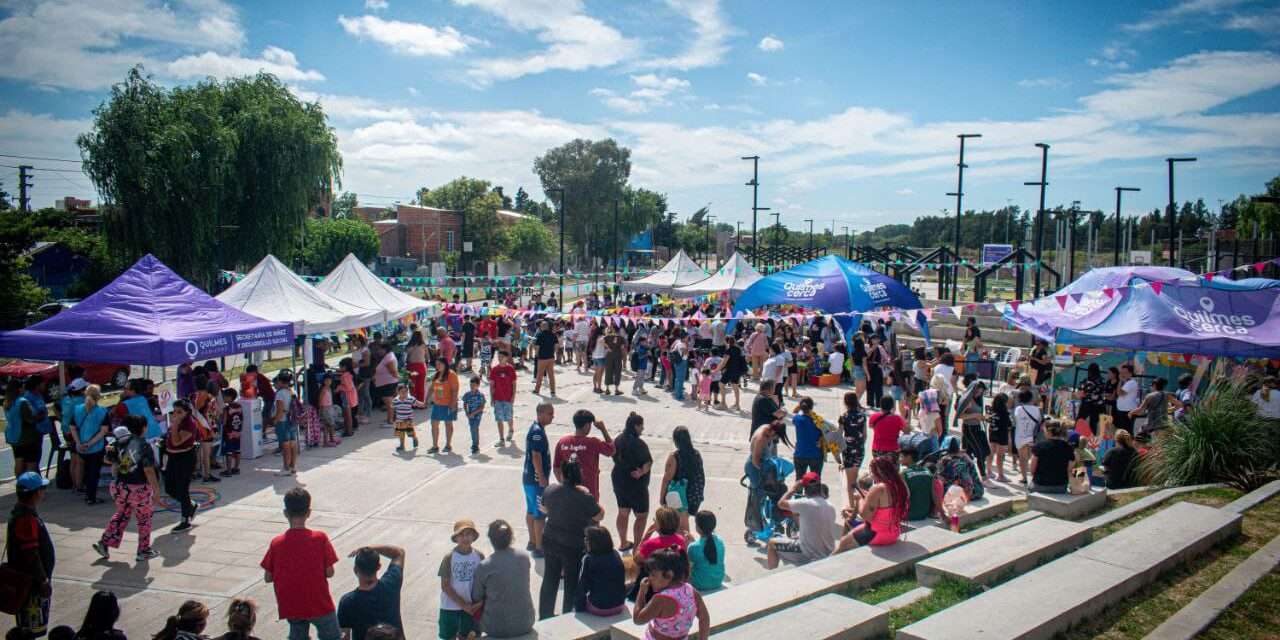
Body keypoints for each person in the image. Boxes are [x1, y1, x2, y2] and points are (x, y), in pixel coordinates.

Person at [260, 488, 341, 640]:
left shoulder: (277, 543)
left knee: (297, 633)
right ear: (309, 513)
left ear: (285, 513)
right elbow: (330, 572)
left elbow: (268, 577)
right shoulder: (320, 538)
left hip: (292, 606)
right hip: (319, 603)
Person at [539, 460, 605, 620]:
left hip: (550, 539)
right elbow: (599, 515)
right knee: (571, 581)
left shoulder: (550, 490)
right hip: (573, 544)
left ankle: (545, 615)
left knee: (550, 578)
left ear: (562, 474)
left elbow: (544, 508)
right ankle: (567, 615)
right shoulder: (584, 496)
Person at [94, 416, 163, 562]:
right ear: (143, 428)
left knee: (121, 515)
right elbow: (149, 470)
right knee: (144, 519)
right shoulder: (143, 445)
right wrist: (156, 491)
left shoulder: (118, 442)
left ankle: (104, 543)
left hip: (120, 486)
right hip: (138, 489)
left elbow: (107, 459)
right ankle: (143, 550)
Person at [8, 472, 54, 637]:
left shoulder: (22, 513)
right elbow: (31, 553)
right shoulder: (26, 519)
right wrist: (43, 580)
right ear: (36, 493)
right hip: (32, 585)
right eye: (42, 488)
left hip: (30, 581)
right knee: (31, 628)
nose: (43, 492)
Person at [471, 520, 535, 637]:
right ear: (511, 537)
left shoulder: (485, 566)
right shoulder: (524, 557)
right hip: (526, 623)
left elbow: (476, 596)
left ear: (491, 539)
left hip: (496, 628)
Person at [632, 548, 710, 640]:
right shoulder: (691, 590)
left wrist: (641, 592)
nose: (650, 578)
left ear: (669, 575)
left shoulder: (660, 599)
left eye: (653, 575)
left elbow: (638, 619)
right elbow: (704, 618)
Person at [834, 456, 908, 552]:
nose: (871, 475)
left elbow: (866, 516)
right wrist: (869, 497)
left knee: (842, 545)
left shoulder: (878, 488)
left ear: (878, 472)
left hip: (877, 534)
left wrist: (860, 499)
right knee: (847, 538)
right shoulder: (899, 485)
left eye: (871, 472)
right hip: (894, 532)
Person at [765, 475, 836, 569]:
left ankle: (772, 577)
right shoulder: (831, 507)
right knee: (795, 537)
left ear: (805, 491)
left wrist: (793, 489)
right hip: (827, 552)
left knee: (772, 543)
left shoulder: (805, 503)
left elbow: (781, 504)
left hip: (809, 553)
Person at [337, 544, 405, 640]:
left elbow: (344, 636)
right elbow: (399, 553)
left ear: (355, 570)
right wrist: (370, 548)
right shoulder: (392, 583)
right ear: (379, 566)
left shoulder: (347, 602)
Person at [611, 412, 652, 552]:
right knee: (641, 515)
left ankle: (622, 542)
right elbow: (647, 462)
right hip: (636, 484)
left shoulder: (618, 439)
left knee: (623, 512)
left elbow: (613, 455)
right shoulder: (639, 444)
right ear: (635, 426)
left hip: (619, 481)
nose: (643, 429)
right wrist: (642, 472)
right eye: (641, 426)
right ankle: (636, 546)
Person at [553, 410, 615, 500]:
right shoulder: (592, 442)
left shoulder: (563, 442)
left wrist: (564, 485)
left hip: (569, 492)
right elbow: (611, 450)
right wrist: (603, 429)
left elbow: (556, 468)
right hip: (589, 492)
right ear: (587, 425)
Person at [438, 520, 484, 640]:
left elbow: (484, 582)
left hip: (471, 608)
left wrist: (479, 603)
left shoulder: (479, 556)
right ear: (456, 538)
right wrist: (463, 605)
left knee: (468, 636)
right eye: (461, 534)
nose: (465, 537)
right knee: (447, 636)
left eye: (469, 534)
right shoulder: (449, 557)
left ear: (474, 536)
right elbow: (445, 586)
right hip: (450, 607)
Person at [658, 426, 706, 533]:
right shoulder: (696, 454)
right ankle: (683, 545)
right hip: (694, 494)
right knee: (684, 522)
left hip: (679, 495)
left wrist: (662, 497)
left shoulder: (675, 457)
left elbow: (666, 479)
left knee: (680, 525)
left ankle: (683, 547)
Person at [575, 526, 627, 616]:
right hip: (619, 605)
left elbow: (582, 587)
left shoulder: (588, 559)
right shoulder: (615, 554)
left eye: (587, 539)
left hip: (599, 608)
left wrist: (578, 608)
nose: (584, 540)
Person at [524, 403, 554, 557]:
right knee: (539, 514)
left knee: (531, 511)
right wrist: (541, 476)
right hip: (535, 481)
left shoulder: (537, 429)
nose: (552, 416)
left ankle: (532, 540)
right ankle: (539, 547)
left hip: (529, 479)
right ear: (540, 413)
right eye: (550, 413)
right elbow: (536, 455)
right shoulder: (537, 432)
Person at [164, 399, 199, 530]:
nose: (176, 414)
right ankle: (190, 505)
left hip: (185, 457)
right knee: (169, 487)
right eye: (174, 411)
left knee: (182, 488)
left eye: (180, 412)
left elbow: (176, 441)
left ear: (187, 412)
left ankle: (186, 519)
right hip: (172, 457)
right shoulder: (176, 422)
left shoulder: (189, 424)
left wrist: (175, 424)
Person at [73, 385, 110, 505]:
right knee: (93, 473)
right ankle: (91, 497)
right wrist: (90, 444)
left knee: (83, 468)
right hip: (95, 447)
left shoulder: (77, 409)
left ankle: (79, 488)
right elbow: (103, 431)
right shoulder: (102, 411)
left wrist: (79, 443)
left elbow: (72, 428)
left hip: (80, 446)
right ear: (99, 396)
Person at [955, 375, 990, 481]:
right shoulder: (968, 399)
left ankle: (966, 474)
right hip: (969, 428)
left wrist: (982, 417)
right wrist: (975, 416)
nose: (978, 394)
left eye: (980, 392)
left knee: (968, 453)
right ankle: (984, 477)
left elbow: (977, 414)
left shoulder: (979, 399)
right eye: (977, 392)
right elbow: (959, 415)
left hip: (977, 427)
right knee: (980, 453)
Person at [837, 392, 868, 510]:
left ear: (846, 402)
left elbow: (839, 435)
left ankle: (852, 506)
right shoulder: (862, 415)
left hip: (848, 450)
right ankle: (859, 502)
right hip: (859, 449)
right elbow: (865, 435)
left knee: (850, 481)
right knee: (855, 478)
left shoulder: (843, 417)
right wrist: (859, 445)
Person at [4, 379, 41, 476]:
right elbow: (30, 418)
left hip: (13, 436)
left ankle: (20, 484)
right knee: (31, 462)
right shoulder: (22, 402)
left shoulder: (7, 402)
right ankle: (29, 485)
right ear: (19, 389)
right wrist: (39, 416)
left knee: (18, 461)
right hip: (26, 436)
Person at [1029, 421, 1075, 494]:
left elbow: (1032, 469)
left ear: (1048, 432)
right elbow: (1069, 469)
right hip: (1060, 486)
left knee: (1023, 498)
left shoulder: (1039, 446)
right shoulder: (1069, 447)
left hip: (1040, 485)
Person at [427, 358, 459, 454]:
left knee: (448, 425)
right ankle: (435, 446)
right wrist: (426, 400)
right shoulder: (437, 374)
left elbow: (455, 390)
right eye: (436, 364)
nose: (438, 366)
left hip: (448, 404)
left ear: (445, 364)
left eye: (439, 364)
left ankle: (448, 445)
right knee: (434, 424)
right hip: (437, 404)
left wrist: (453, 404)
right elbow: (431, 388)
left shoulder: (451, 374)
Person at [688, 511, 725, 593]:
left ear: (698, 528)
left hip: (699, 584)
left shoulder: (693, 547)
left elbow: (688, 569)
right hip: (718, 581)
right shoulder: (720, 542)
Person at [1012, 389, 1043, 485]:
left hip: (1020, 436)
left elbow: (1016, 420)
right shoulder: (1037, 409)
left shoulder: (1018, 409)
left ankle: (1024, 477)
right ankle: (1032, 476)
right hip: (1032, 436)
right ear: (1031, 398)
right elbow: (1039, 421)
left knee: (1022, 458)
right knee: (1030, 457)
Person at [790, 397, 825, 478]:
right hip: (815, 454)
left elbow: (794, 411)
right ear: (812, 407)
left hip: (800, 453)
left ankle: (797, 491)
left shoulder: (797, 419)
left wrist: (800, 406)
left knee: (799, 479)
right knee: (815, 480)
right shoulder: (818, 420)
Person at [899, 446, 936, 521]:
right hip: (924, 513)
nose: (899, 459)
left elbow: (902, 497)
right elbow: (934, 495)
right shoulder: (928, 471)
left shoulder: (903, 474)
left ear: (909, 457)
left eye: (901, 457)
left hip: (909, 515)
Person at [488, 351, 517, 445]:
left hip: (508, 398)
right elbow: (492, 385)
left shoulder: (510, 369)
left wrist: (513, 396)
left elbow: (514, 384)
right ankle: (501, 439)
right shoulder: (494, 369)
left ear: (506, 358)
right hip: (498, 398)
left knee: (509, 417)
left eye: (502, 356)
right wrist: (492, 398)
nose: (500, 358)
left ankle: (511, 429)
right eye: (498, 356)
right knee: (499, 418)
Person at [868, 397, 908, 461]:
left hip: (877, 448)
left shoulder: (873, 417)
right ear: (892, 406)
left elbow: (871, 426)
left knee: (878, 469)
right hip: (893, 449)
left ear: (880, 405)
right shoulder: (898, 418)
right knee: (892, 470)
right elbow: (906, 431)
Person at [987, 393, 1013, 483]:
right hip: (1002, 435)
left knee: (991, 453)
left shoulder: (991, 410)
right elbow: (1009, 425)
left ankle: (989, 471)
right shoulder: (1005, 413)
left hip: (992, 433)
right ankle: (1000, 475)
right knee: (1000, 456)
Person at [373, 342, 400, 427]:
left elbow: (393, 371)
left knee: (389, 403)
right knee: (390, 403)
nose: (378, 351)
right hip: (387, 383)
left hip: (388, 383)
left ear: (385, 349)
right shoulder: (387, 356)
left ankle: (390, 421)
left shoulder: (389, 358)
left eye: (380, 349)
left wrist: (398, 378)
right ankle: (392, 418)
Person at [220, 388, 243, 477]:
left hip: (228, 432)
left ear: (229, 397)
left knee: (228, 451)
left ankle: (228, 470)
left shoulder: (227, 408)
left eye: (224, 397)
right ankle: (236, 468)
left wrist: (221, 417)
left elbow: (224, 422)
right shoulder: (239, 406)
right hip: (237, 432)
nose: (223, 398)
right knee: (237, 450)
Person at [532, 321, 558, 396]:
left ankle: (537, 390)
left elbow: (537, 347)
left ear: (542, 327)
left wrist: (536, 354)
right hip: (551, 357)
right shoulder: (553, 335)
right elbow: (556, 346)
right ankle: (553, 391)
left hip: (542, 358)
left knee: (539, 375)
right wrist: (554, 353)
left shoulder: (539, 335)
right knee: (551, 375)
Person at [462, 376, 486, 454]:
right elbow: (465, 403)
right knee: (473, 429)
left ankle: (475, 445)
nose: (472, 387)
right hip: (470, 415)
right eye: (471, 385)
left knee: (474, 428)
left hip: (477, 415)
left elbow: (482, 407)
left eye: (474, 385)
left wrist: (473, 413)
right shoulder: (467, 394)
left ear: (478, 385)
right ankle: (475, 443)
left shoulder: (480, 395)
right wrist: (466, 412)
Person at [1114, 363, 1140, 435]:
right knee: (1123, 431)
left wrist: (1120, 381)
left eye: (1125, 373)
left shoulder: (1131, 382)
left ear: (1130, 374)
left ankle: (1129, 445)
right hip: (1122, 410)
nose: (1122, 374)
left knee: (1127, 431)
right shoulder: (1126, 383)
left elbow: (1120, 393)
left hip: (1128, 411)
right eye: (1121, 372)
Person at [405, 330, 429, 403]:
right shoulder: (423, 345)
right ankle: (420, 402)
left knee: (412, 386)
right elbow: (427, 357)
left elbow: (405, 356)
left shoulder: (409, 346)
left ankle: (414, 402)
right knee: (421, 385)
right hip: (422, 366)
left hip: (412, 367)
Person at [603, 326, 626, 396]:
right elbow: (622, 348)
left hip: (609, 356)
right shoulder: (621, 338)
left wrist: (608, 348)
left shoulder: (606, 337)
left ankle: (607, 388)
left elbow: (602, 342)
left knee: (608, 371)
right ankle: (616, 389)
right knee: (617, 372)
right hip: (617, 355)